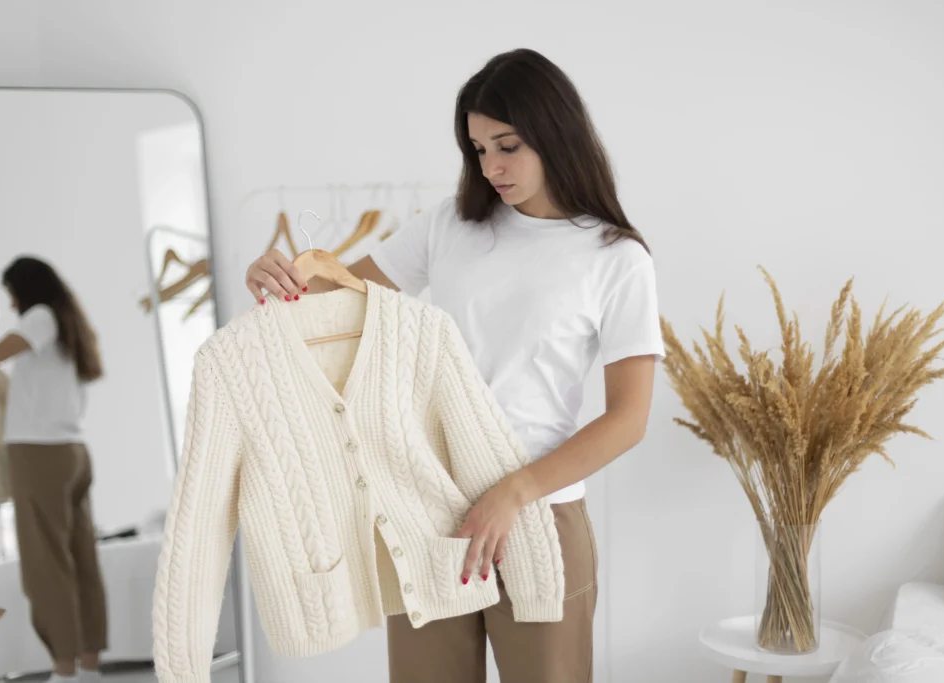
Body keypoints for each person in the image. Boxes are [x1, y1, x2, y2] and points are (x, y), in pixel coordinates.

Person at [245, 48, 663, 682]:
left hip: (538, 512)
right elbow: (338, 299)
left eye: (507, 145)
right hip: (429, 510)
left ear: (555, 133)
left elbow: (629, 419)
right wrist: (281, 277)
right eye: (477, 149)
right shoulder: (450, 226)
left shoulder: (614, 258)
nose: (490, 166)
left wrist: (514, 493)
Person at [0, 256, 108, 683]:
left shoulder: (40, 316)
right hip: (72, 452)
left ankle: (64, 670)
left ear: (24, 290)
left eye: (11, 293)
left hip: (40, 456)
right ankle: (87, 667)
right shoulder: (67, 321)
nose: (11, 304)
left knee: (45, 565)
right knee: (80, 558)